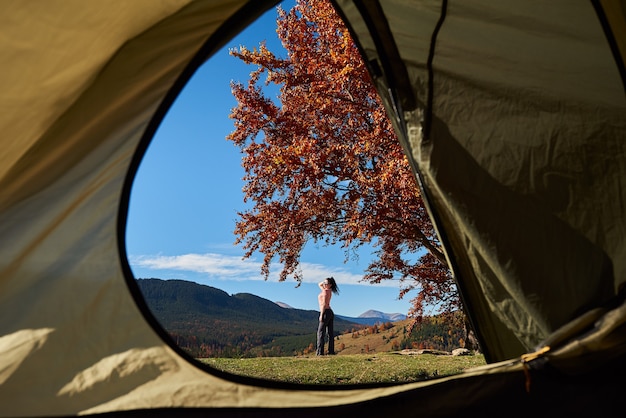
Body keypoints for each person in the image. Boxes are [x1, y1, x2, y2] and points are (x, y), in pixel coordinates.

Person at [316, 277, 339, 356]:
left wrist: (321, 315)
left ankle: (320, 352)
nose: (324, 285)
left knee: (320, 332)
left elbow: (324, 304)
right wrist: (325, 281)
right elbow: (319, 284)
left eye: (327, 284)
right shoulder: (328, 291)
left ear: (330, 285)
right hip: (330, 312)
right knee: (330, 333)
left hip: (325, 311)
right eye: (325, 283)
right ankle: (331, 351)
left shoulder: (325, 292)